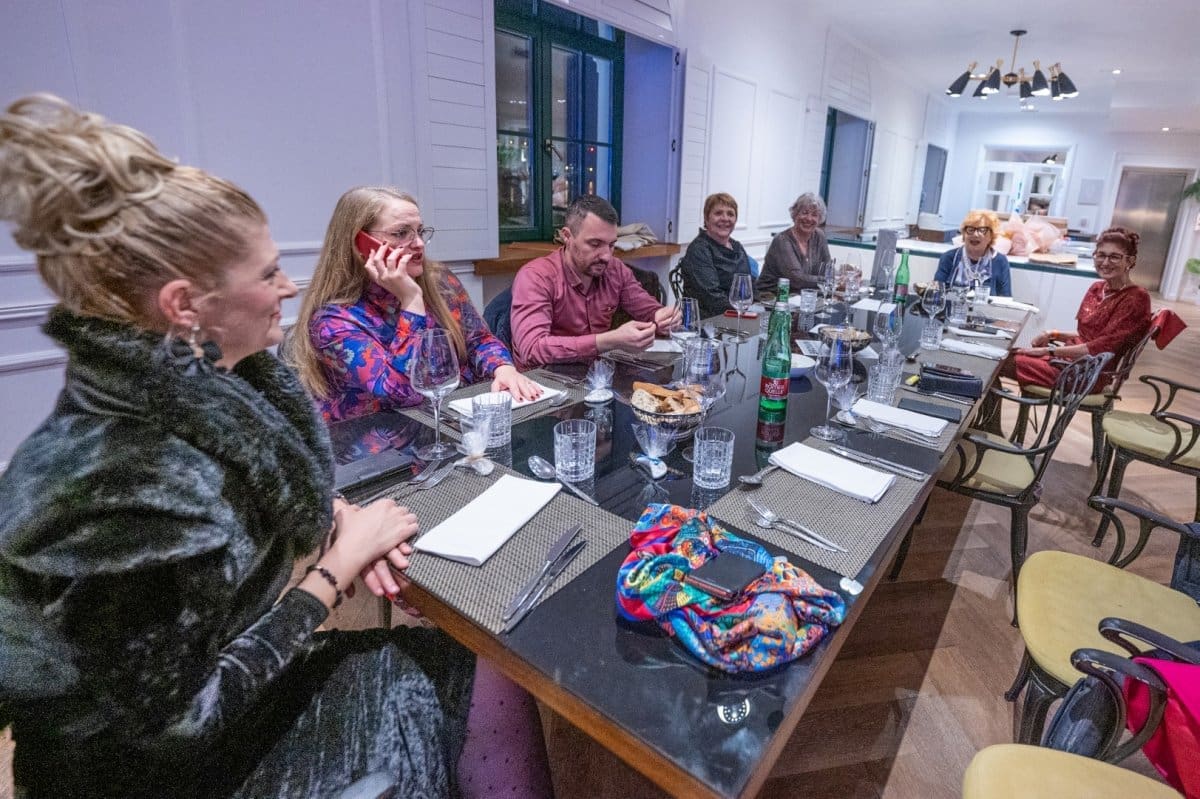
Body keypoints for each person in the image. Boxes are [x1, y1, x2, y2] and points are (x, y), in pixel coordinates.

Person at [0, 95, 552, 799]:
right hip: (136, 772)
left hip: (210, 704)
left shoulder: (208, 388)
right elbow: (180, 720)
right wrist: (333, 572)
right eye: (266, 275)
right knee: (471, 674)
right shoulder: (121, 481)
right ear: (183, 306)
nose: (288, 286)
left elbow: (248, 486)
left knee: (492, 665)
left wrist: (338, 515)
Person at [292, 187, 541, 422]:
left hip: (449, 420)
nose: (419, 243)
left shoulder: (440, 281)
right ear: (361, 244)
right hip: (378, 441)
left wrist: (503, 368)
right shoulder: (331, 321)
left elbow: (478, 340)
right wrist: (411, 301)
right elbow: (405, 393)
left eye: (419, 231)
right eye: (401, 233)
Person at [510, 194, 680, 368]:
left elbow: (647, 308)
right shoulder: (537, 277)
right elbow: (532, 349)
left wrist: (662, 318)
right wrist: (607, 341)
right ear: (567, 236)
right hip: (542, 378)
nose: (606, 256)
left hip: (593, 374)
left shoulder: (615, 269)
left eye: (611, 245)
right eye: (595, 244)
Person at [1001, 226, 1150, 390]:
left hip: (1086, 374)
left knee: (998, 360)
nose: (1105, 262)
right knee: (999, 355)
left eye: (1114, 257)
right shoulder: (1097, 288)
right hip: (1067, 362)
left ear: (1130, 261)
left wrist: (1047, 351)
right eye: (1101, 255)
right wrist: (1053, 334)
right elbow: (1089, 336)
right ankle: (991, 407)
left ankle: (990, 408)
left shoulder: (1136, 298)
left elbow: (1102, 347)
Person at [679, 192, 752, 318]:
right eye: (718, 213)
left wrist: (757, 309)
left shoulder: (737, 247)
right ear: (706, 219)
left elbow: (751, 287)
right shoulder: (699, 250)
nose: (725, 218)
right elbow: (712, 298)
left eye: (730, 214)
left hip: (739, 316)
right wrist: (746, 315)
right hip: (707, 320)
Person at [755, 192, 833, 300]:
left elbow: (828, 270)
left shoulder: (819, 236)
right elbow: (797, 280)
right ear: (795, 214)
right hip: (772, 297)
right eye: (804, 213)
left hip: (802, 297)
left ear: (820, 219)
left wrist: (835, 279)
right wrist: (827, 281)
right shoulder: (782, 240)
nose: (809, 218)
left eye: (814, 215)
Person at [933, 210, 1013, 297]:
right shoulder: (949, 258)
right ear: (964, 234)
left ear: (991, 236)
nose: (975, 234)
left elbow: (1005, 299)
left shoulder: (1000, 261)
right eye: (970, 229)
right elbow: (937, 294)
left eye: (982, 230)